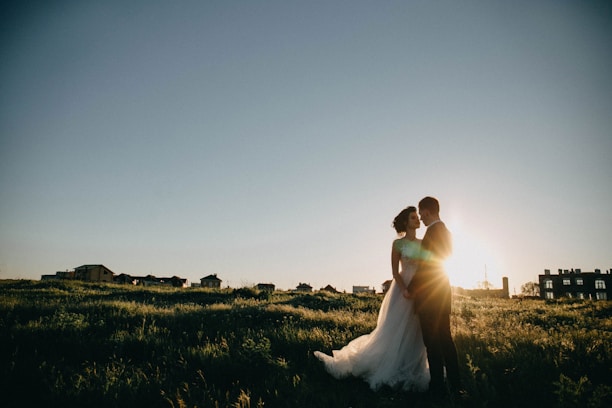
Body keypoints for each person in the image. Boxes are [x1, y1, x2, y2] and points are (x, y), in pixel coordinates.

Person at [313, 206, 429, 391]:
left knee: (416, 329)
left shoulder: (424, 243)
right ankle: (390, 364)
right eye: (414, 217)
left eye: (417, 217)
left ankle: (413, 366)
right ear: (406, 222)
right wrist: (405, 289)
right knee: (395, 329)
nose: (418, 220)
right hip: (402, 290)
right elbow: (394, 271)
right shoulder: (397, 244)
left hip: (420, 287)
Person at [405, 196, 462, 397]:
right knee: (446, 340)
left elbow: (426, 266)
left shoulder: (431, 232)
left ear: (427, 211)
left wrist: (410, 288)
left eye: (421, 213)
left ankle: (437, 387)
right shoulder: (447, 232)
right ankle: (456, 385)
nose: (421, 217)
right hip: (443, 292)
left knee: (432, 343)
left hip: (430, 297)